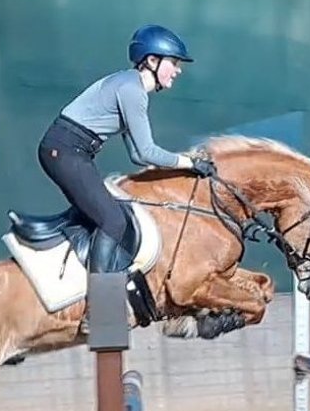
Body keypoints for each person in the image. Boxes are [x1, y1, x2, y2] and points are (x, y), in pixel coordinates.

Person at [36, 24, 217, 277]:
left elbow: (135, 154)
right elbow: (146, 152)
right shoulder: (132, 91)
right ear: (152, 60)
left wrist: (183, 164)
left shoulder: (128, 85)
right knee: (113, 222)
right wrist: (189, 163)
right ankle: (103, 310)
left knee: (107, 215)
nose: (178, 70)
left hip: (69, 151)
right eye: (174, 62)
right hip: (67, 151)